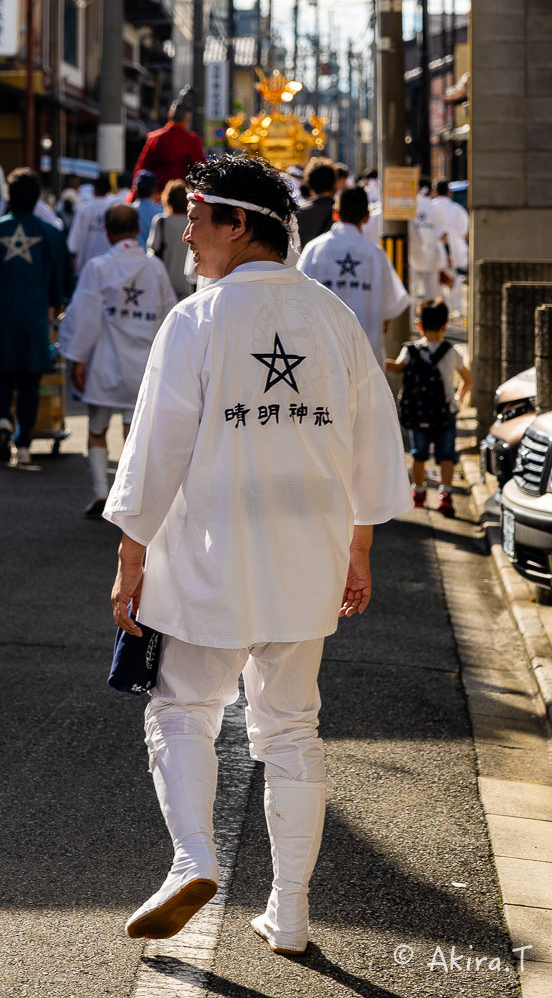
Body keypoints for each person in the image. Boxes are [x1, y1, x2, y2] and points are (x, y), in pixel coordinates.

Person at [103, 154, 411, 955]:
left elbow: (156, 449)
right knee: (291, 729)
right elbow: (375, 440)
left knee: (181, 708)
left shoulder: (200, 318)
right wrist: (361, 544)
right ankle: (293, 913)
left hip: (209, 552)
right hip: (308, 556)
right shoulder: (333, 318)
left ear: (240, 223)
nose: (189, 235)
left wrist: (131, 553)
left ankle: (192, 858)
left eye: (200, 217)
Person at [59, 204, 177, 518]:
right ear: (137, 230)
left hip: (104, 362)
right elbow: (169, 316)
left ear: (107, 232)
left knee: (97, 428)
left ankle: (100, 489)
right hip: (143, 365)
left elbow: (85, 317)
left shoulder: (98, 267)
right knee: (133, 431)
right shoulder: (155, 268)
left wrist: (77, 358)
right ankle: (129, 498)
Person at [0, 167, 72, 466]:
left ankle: (3, 419)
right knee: (31, 380)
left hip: (0, 313)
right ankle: (25, 443)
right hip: (34, 316)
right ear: (37, 198)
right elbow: (62, 282)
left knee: (2, 374)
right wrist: (56, 305)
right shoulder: (51, 233)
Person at [297, 186, 410, 368]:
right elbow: (391, 309)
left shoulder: (315, 249)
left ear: (335, 213)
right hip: (366, 359)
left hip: (322, 358)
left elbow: (297, 301)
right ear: (367, 216)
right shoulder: (376, 255)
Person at [386, 297, 472, 517]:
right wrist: (459, 397)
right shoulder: (450, 352)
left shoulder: (410, 350)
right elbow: (467, 379)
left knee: (418, 454)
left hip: (418, 412)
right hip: (445, 412)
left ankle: (420, 491)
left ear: (419, 325)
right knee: (446, 456)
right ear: (445, 326)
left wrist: (377, 357)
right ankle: (445, 494)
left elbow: (396, 368)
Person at [132, 87, 206, 192]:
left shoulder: (154, 137)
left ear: (169, 115)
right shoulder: (192, 140)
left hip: (156, 193)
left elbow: (143, 167)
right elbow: (199, 169)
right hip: (181, 194)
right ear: (187, 119)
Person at [147, 179, 192, 301]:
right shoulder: (192, 223)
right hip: (188, 281)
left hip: (165, 281)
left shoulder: (161, 221)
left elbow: (153, 250)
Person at [67, 174, 117, 276]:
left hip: (85, 266)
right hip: (109, 268)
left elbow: (73, 242)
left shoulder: (84, 210)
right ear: (108, 191)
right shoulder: (113, 210)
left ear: (94, 190)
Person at [432, 179, 469, 317]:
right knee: (454, 279)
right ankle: (455, 309)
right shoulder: (457, 209)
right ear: (449, 192)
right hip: (455, 251)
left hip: (433, 251)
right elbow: (465, 233)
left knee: (435, 281)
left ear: (434, 191)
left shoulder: (431, 207)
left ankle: (438, 308)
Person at [294, 157, 337, 250]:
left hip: (308, 262)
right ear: (334, 182)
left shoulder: (299, 213)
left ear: (309, 184)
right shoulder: (342, 212)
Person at [132, 169, 162, 248]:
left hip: (133, 256)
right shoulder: (162, 212)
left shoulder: (129, 211)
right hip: (154, 257)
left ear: (136, 189)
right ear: (154, 189)